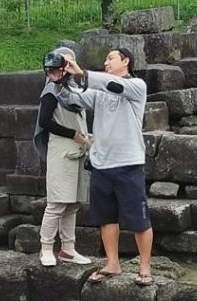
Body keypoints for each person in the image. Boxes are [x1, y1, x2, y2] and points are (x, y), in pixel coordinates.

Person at [63, 47, 153, 285]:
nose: (106, 62)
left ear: (126, 61)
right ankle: (112, 263)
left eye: (111, 58)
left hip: (128, 163)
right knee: (106, 217)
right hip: (102, 163)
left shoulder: (136, 87)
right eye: (104, 59)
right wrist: (60, 78)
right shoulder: (99, 92)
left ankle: (145, 267)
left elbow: (113, 85)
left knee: (139, 219)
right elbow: (73, 98)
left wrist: (81, 73)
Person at [32, 48, 93, 267]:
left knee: (73, 204)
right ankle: (46, 248)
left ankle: (68, 248)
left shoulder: (73, 89)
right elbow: (46, 122)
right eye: (50, 71)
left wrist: (85, 136)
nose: (54, 74)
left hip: (77, 150)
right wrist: (73, 135)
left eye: (57, 70)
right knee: (56, 204)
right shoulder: (51, 91)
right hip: (62, 151)